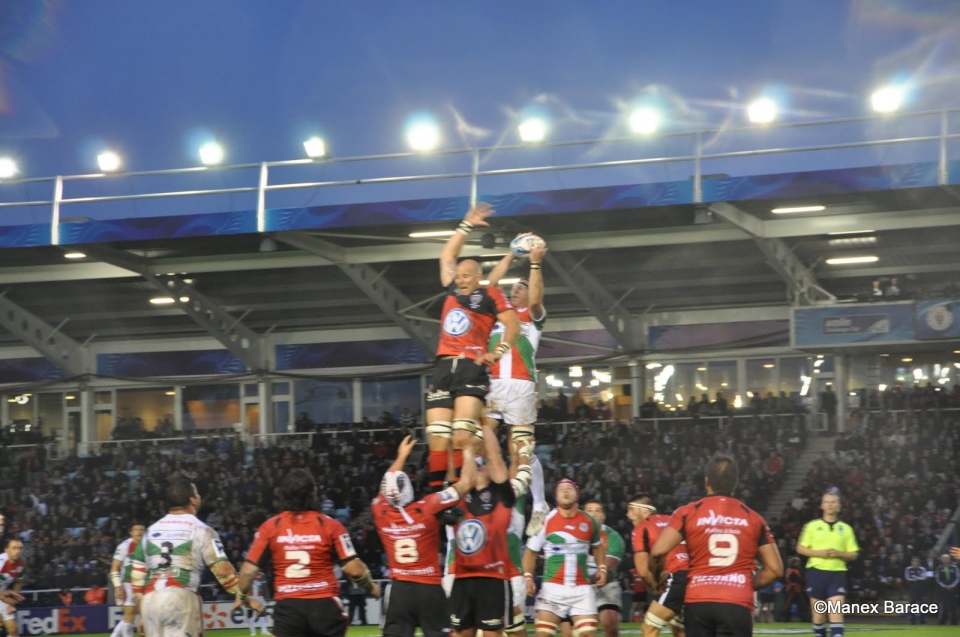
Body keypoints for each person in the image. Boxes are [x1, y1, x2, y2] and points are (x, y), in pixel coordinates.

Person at [426, 202, 520, 490]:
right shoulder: (452, 289)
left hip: (471, 367)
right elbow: (447, 255)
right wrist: (466, 225)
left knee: (461, 434)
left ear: (478, 277)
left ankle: (459, 490)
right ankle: (437, 497)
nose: (460, 280)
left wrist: (498, 352)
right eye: (458, 276)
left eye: (466, 276)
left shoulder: (491, 295)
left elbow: (513, 326)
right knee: (437, 435)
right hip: (444, 365)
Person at [236, 468, 378, 637]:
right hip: (325, 606)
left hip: (289, 609)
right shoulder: (330, 525)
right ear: (313, 494)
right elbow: (354, 570)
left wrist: (242, 597)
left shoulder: (270, 527)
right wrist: (371, 587)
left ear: (283, 495)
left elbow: (248, 572)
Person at [652, 455, 783, 637]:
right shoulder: (753, 518)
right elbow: (775, 569)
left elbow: (658, 551)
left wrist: (658, 577)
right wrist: (745, 584)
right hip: (736, 601)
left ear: (707, 481)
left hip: (698, 599)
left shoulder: (687, 512)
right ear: (735, 482)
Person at [373, 436, 478, 637]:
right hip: (429, 587)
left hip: (400, 589)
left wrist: (400, 456)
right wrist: (469, 451)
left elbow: (383, 488)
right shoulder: (428, 507)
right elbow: (467, 483)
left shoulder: (379, 511)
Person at [131, 478, 262, 637]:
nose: (199, 497)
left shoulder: (150, 532)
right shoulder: (202, 530)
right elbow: (223, 571)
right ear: (192, 500)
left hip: (150, 601)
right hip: (181, 596)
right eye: (197, 494)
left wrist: (142, 611)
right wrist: (243, 597)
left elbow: (136, 575)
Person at [486, 236, 550, 535]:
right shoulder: (499, 316)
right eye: (514, 286)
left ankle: (529, 507)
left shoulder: (532, 318)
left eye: (522, 286)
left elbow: (536, 300)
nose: (516, 289)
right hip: (494, 385)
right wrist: (511, 255)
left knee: (519, 450)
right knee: (481, 434)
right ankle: (517, 503)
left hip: (521, 385)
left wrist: (534, 264)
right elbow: (491, 284)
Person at [449, 419, 526, 637]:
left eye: (482, 465)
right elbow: (455, 467)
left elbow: (495, 457)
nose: (480, 466)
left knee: (493, 634)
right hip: (462, 578)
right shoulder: (459, 498)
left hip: (493, 578)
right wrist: (464, 445)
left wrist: (484, 422)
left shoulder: (502, 496)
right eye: (477, 464)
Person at [523, 480, 606, 637]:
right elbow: (530, 552)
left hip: (581, 589)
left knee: (588, 634)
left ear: (577, 494)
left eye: (569, 488)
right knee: (543, 635)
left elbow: (597, 546)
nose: (565, 491)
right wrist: (528, 577)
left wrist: (602, 568)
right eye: (561, 489)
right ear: (556, 496)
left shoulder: (589, 522)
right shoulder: (545, 521)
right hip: (552, 589)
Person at [796, 491, 860, 637]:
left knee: (836, 614)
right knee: (819, 617)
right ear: (822, 505)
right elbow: (800, 548)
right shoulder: (812, 526)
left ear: (838, 506)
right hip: (816, 573)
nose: (830, 505)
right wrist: (817, 553)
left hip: (837, 574)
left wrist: (840, 553)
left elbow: (854, 554)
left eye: (833, 502)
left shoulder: (846, 529)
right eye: (827, 502)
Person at [627, 494, 688, 637]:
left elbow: (643, 571)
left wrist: (655, 586)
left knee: (649, 629)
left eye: (631, 510)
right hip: (697, 576)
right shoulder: (673, 520)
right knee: (679, 630)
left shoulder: (642, 527)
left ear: (645, 511)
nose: (628, 515)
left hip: (676, 576)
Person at [580, 500, 625, 637]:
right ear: (582, 514)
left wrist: (586, 581)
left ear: (604, 516)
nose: (593, 514)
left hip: (605, 584)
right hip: (579, 585)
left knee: (610, 623)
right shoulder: (574, 534)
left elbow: (608, 567)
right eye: (589, 511)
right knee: (580, 631)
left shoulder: (613, 536)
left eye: (597, 511)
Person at [109, 522, 146, 637]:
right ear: (131, 532)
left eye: (142, 530)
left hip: (145, 584)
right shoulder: (124, 546)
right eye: (136, 530)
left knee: (138, 614)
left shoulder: (148, 545)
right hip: (128, 584)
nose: (139, 532)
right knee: (130, 613)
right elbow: (114, 568)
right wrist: (118, 587)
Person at [0, 538, 25, 637]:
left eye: (20, 548)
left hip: (2, 594)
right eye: (14, 548)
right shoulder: (1, 562)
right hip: (2, 594)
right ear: (7, 550)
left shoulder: (22, 563)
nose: (18, 551)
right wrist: (3, 595)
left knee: (13, 630)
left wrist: (12, 603)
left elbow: (19, 582)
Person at [934, 553, 959, 625]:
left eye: (947, 558)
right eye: (944, 558)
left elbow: (958, 577)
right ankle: (942, 621)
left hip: (953, 590)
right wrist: (944, 586)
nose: (945, 560)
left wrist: (952, 586)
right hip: (943, 590)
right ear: (941, 560)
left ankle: (954, 621)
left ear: (949, 559)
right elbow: (937, 579)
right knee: (943, 605)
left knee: (954, 606)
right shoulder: (939, 568)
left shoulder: (954, 567)